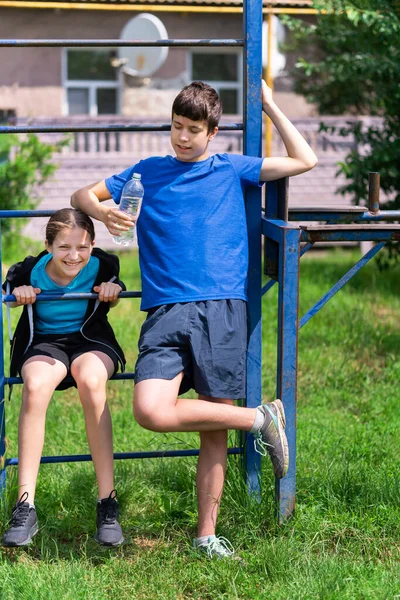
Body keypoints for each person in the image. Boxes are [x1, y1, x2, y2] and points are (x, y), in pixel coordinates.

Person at [71, 80, 318, 558]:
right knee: (149, 410)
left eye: (193, 130)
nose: (182, 138)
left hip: (222, 307)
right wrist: (101, 212)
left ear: (213, 132)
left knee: (212, 427)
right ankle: (260, 418)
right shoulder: (146, 172)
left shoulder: (232, 168)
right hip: (165, 310)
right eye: (176, 127)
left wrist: (269, 105)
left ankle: (206, 535)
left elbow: (305, 160)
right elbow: (83, 193)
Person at [2, 208, 126, 548]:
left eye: (82, 247)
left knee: (90, 381)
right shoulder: (30, 269)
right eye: (64, 248)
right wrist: (20, 294)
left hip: (90, 340)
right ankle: (25, 505)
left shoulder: (102, 264)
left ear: (93, 244)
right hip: (45, 344)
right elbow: (8, 291)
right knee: (37, 384)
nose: (74, 256)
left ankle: (107, 504)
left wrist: (111, 291)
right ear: (47, 246)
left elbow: (117, 281)